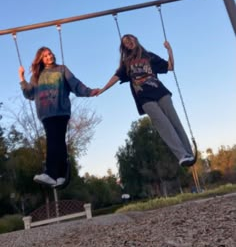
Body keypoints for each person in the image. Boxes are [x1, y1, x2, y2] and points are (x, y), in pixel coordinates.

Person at [97, 34, 195, 167]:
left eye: (129, 39)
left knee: (175, 121)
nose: (128, 42)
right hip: (144, 97)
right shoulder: (126, 63)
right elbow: (116, 77)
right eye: (125, 42)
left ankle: (189, 153)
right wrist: (102, 89)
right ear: (124, 47)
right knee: (163, 123)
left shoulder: (149, 56)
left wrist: (169, 50)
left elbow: (170, 67)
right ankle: (182, 155)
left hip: (161, 92)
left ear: (135, 40)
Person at [18, 46, 99, 187]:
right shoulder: (36, 75)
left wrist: (89, 92)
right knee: (58, 141)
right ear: (41, 59)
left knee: (54, 140)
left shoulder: (62, 69)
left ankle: (50, 173)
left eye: (50, 54)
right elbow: (29, 94)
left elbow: (75, 84)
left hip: (61, 110)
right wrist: (22, 78)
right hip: (46, 112)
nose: (49, 57)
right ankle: (61, 175)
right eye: (45, 56)